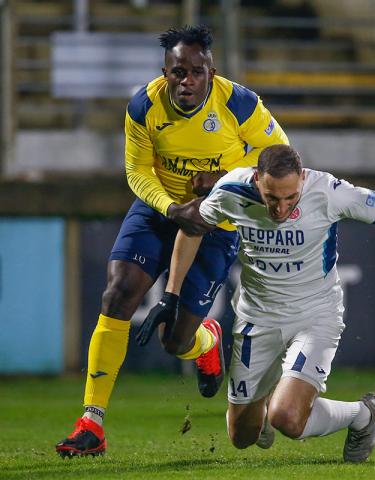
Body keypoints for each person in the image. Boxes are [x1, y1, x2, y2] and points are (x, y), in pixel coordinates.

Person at [55, 25, 289, 458]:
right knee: (117, 294)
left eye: (196, 72)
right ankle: (92, 422)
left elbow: (279, 157)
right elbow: (136, 171)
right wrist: (170, 207)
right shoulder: (143, 106)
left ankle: (208, 341)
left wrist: (223, 181)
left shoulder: (238, 103)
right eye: (178, 72)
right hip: (160, 208)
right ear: (164, 73)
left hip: (217, 219)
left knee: (175, 342)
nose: (187, 81)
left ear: (211, 72)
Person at [138, 144, 375, 462]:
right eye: (272, 198)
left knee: (287, 419)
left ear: (302, 179)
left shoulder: (328, 191)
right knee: (243, 437)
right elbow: (192, 229)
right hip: (256, 318)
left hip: (316, 315)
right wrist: (171, 295)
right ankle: (266, 404)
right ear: (257, 179)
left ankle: (362, 415)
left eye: (290, 198)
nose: (281, 210)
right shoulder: (231, 190)